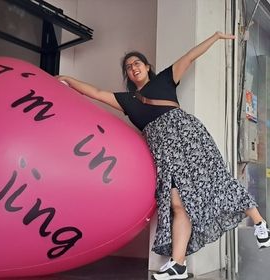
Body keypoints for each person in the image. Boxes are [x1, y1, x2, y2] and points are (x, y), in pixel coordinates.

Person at [56, 31, 270, 280]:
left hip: (187, 136)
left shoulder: (166, 80)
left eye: (137, 63)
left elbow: (189, 57)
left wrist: (216, 37)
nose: (133, 68)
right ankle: (178, 265)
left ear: (147, 67)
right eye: (128, 67)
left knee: (215, 179)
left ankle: (259, 223)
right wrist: (67, 78)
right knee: (177, 203)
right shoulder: (127, 100)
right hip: (163, 151)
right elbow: (94, 92)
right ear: (127, 74)